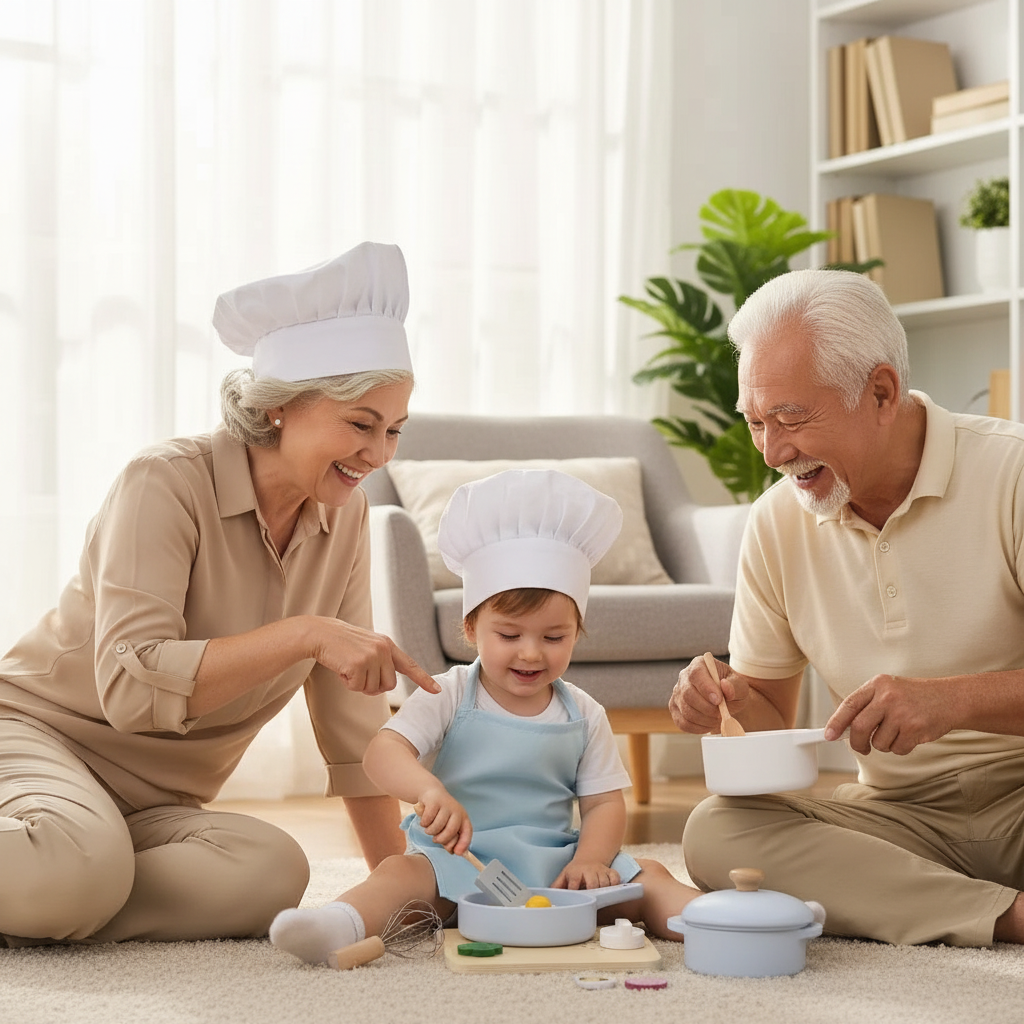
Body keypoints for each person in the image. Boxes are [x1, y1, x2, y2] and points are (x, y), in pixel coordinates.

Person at [0, 241, 440, 948]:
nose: (380, 454)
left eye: (393, 430)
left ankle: (57, 899)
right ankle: (65, 884)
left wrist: (398, 884)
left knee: (270, 869)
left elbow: (350, 715)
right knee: (80, 861)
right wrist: (303, 634)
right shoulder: (164, 482)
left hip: (156, 805)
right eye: (361, 424)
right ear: (279, 409)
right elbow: (129, 687)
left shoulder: (345, 514)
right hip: (40, 740)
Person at [670, 268, 1024, 947]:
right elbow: (770, 715)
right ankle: (1005, 916)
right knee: (718, 832)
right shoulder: (776, 524)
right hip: (900, 819)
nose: (773, 452)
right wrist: (726, 703)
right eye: (754, 423)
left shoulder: (1010, 475)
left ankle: (933, 907)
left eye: (792, 418)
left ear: (882, 392)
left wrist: (954, 701)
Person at [269, 469, 700, 964]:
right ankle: (335, 924)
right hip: (456, 866)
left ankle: (718, 922)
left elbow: (604, 805)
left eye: (554, 637)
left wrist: (590, 862)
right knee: (399, 876)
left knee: (649, 876)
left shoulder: (584, 712)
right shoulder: (447, 692)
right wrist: (427, 791)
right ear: (472, 628)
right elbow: (383, 753)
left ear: (577, 631)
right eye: (510, 635)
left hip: (558, 873)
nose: (531, 653)